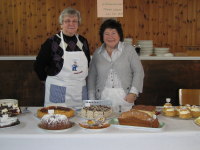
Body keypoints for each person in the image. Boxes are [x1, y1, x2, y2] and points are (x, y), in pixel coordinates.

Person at [34, 7, 90, 107]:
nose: (71, 24)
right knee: (57, 117)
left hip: (79, 88)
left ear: (78, 24)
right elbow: (39, 64)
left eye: (74, 21)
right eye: (67, 21)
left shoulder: (83, 41)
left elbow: (87, 62)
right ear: (61, 23)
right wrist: (44, 79)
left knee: (81, 118)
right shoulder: (52, 41)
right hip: (58, 87)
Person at [87, 19, 144, 112]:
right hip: (102, 98)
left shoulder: (129, 50)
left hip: (124, 96)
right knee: (103, 124)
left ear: (119, 35)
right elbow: (92, 77)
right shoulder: (97, 53)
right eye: (107, 34)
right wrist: (91, 98)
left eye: (113, 33)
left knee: (124, 124)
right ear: (102, 36)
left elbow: (138, 71)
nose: (110, 37)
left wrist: (133, 93)